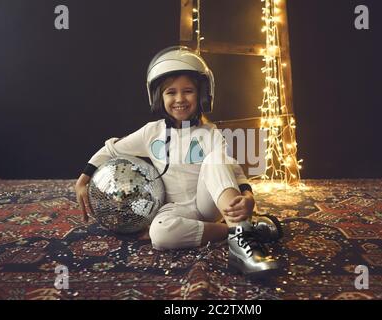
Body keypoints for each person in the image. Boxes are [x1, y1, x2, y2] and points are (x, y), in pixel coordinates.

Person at [75, 46, 283, 277]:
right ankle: (235, 230)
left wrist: (248, 197)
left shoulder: (210, 132)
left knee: (215, 159)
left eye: (188, 91)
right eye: (170, 92)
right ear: (158, 97)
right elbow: (110, 149)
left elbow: (234, 171)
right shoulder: (150, 133)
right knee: (160, 234)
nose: (180, 99)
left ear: (203, 94)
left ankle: (242, 244)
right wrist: (83, 180)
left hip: (210, 204)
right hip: (175, 208)